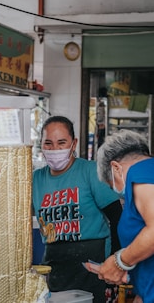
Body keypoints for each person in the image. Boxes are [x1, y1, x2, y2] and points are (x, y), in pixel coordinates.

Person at [32, 115, 123, 303]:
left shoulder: (90, 171)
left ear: (73, 143)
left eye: (61, 142)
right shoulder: (35, 180)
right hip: (55, 267)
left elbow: (117, 217)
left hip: (94, 266)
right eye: (48, 143)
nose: (54, 149)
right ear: (40, 145)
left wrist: (115, 262)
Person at [91, 129, 154, 303]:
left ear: (116, 168)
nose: (120, 195)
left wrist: (120, 262)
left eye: (113, 185)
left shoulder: (140, 172)